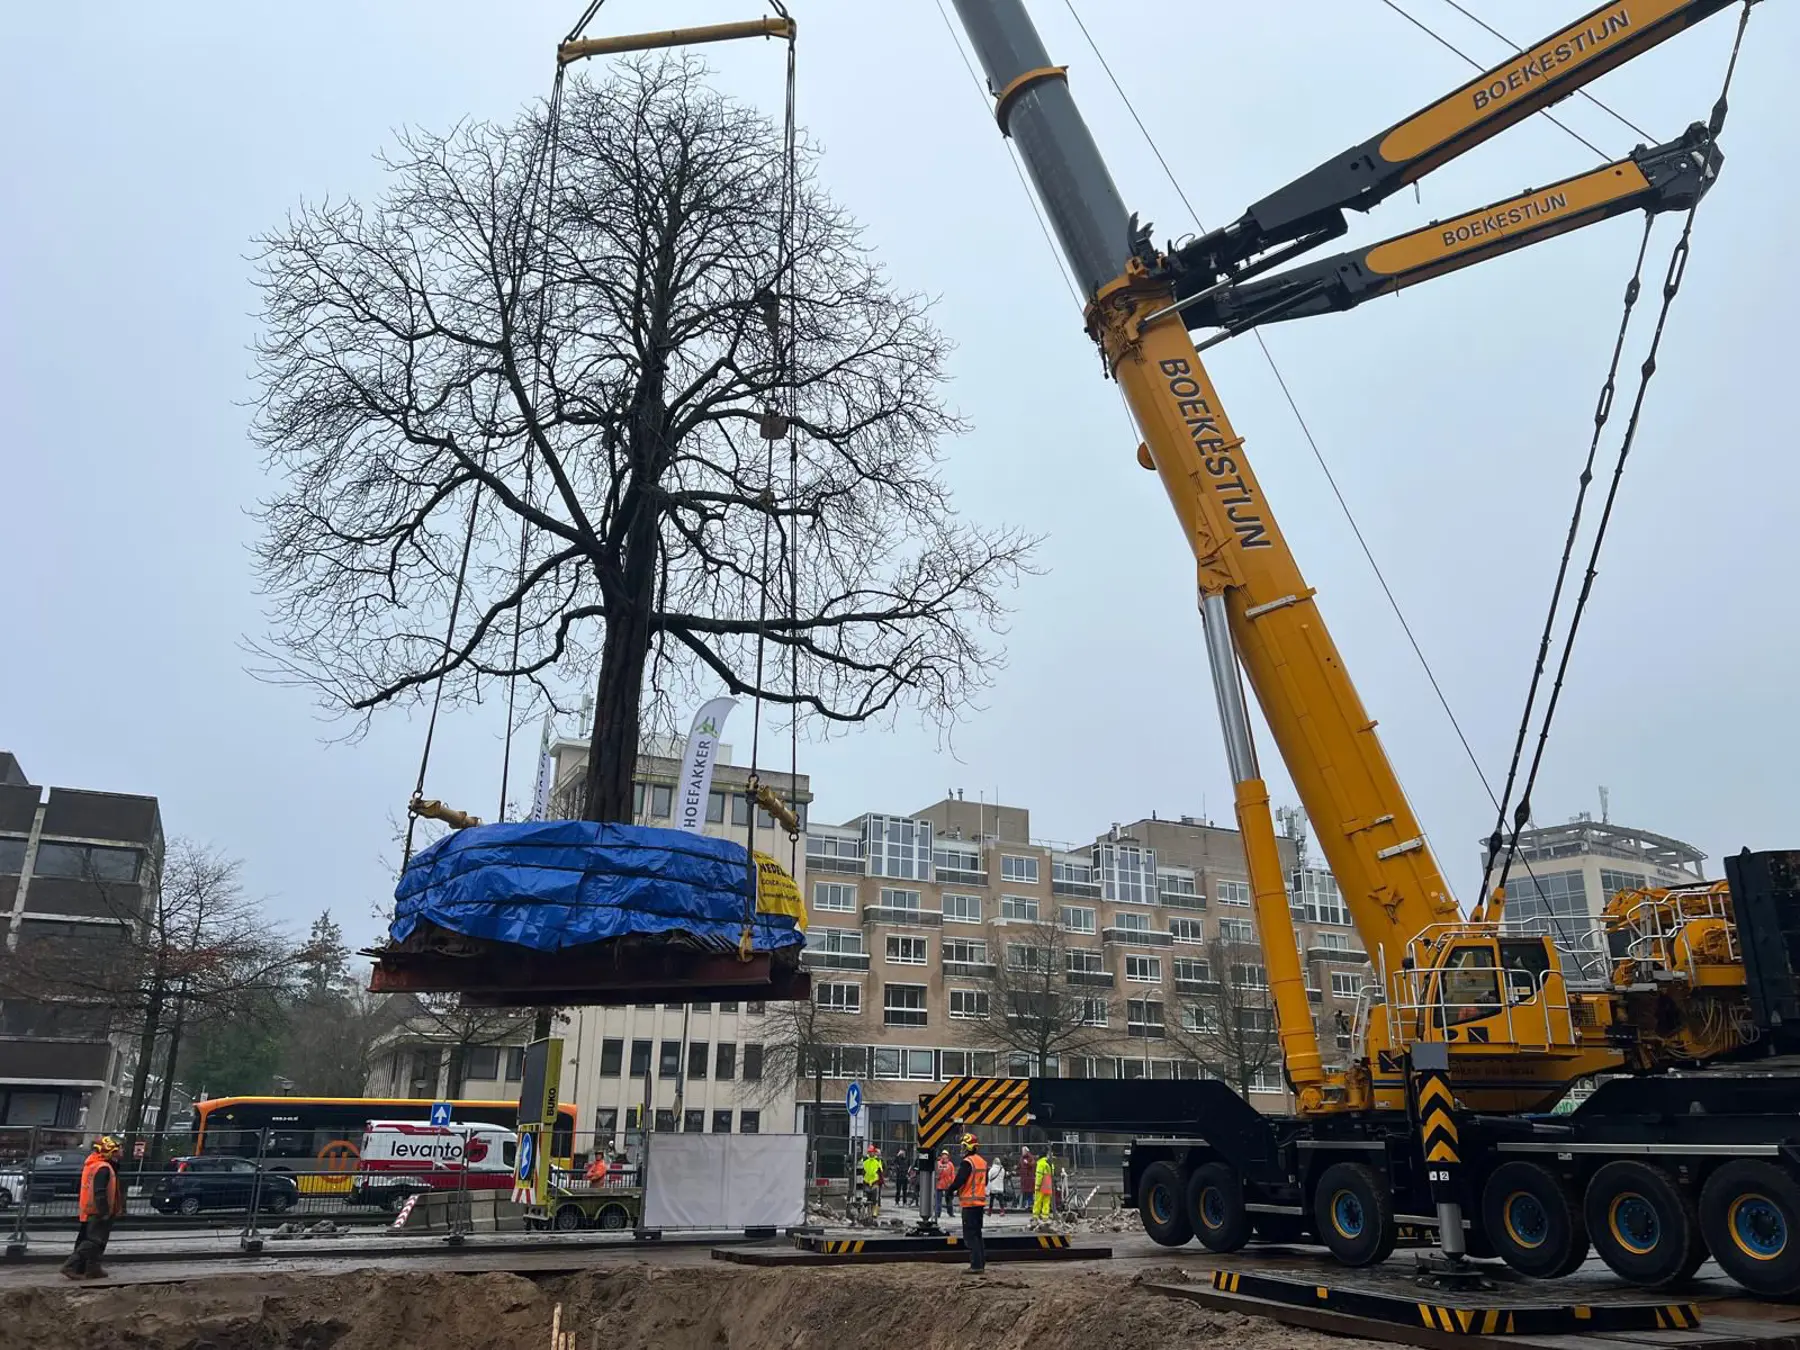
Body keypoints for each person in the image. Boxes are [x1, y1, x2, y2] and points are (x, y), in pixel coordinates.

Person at [62, 1135, 125, 1281]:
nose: (122, 1150)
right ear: (111, 1150)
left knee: (97, 1241)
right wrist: (104, 1211)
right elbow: (100, 1191)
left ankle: (93, 1269)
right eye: (119, 1148)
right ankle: (71, 1266)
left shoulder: (95, 1164)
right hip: (98, 1211)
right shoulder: (103, 1168)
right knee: (94, 1241)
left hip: (91, 1209)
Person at [948, 1132, 988, 1273]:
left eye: (964, 1146)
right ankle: (980, 1264)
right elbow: (985, 1182)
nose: (962, 1149)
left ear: (969, 1147)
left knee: (970, 1237)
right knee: (977, 1235)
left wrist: (950, 1191)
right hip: (979, 1204)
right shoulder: (982, 1162)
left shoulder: (967, 1162)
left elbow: (960, 1180)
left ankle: (976, 1266)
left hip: (969, 1205)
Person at [859, 1146, 885, 1219]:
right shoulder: (864, 1160)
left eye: (872, 1152)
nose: (871, 1153)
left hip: (875, 1181)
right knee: (868, 1198)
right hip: (866, 1181)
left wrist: (880, 1180)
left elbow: (881, 1170)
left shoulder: (877, 1160)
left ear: (874, 1152)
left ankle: (874, 1213)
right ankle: (868, 1212)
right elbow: (860, 1168)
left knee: (875, 1198)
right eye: (869, 1152)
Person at [1033, 1150, 1054, 1225]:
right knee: (1046, 1201)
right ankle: (1045, 1216)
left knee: (1038, 1200)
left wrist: (1037, 1185)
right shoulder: (1049, 1163)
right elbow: (1052, 1173)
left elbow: (1039, 1175)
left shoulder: (1040, 1163)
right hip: (1048, 1183)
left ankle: (1036, 1216)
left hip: (1042, 1184)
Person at [935, 1148, 956, 1217]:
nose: (944, 1158)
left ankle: (950, 1212)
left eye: (946, 1156)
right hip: (940, 1185)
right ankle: (938, 1213)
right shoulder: (938, 1164)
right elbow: (937, 1174)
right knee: (938, 1201)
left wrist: (952, 1184)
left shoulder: (950, 1164)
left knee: (949, 1200)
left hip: (948, 1185)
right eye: (943, 1156)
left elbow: (952, 1175)